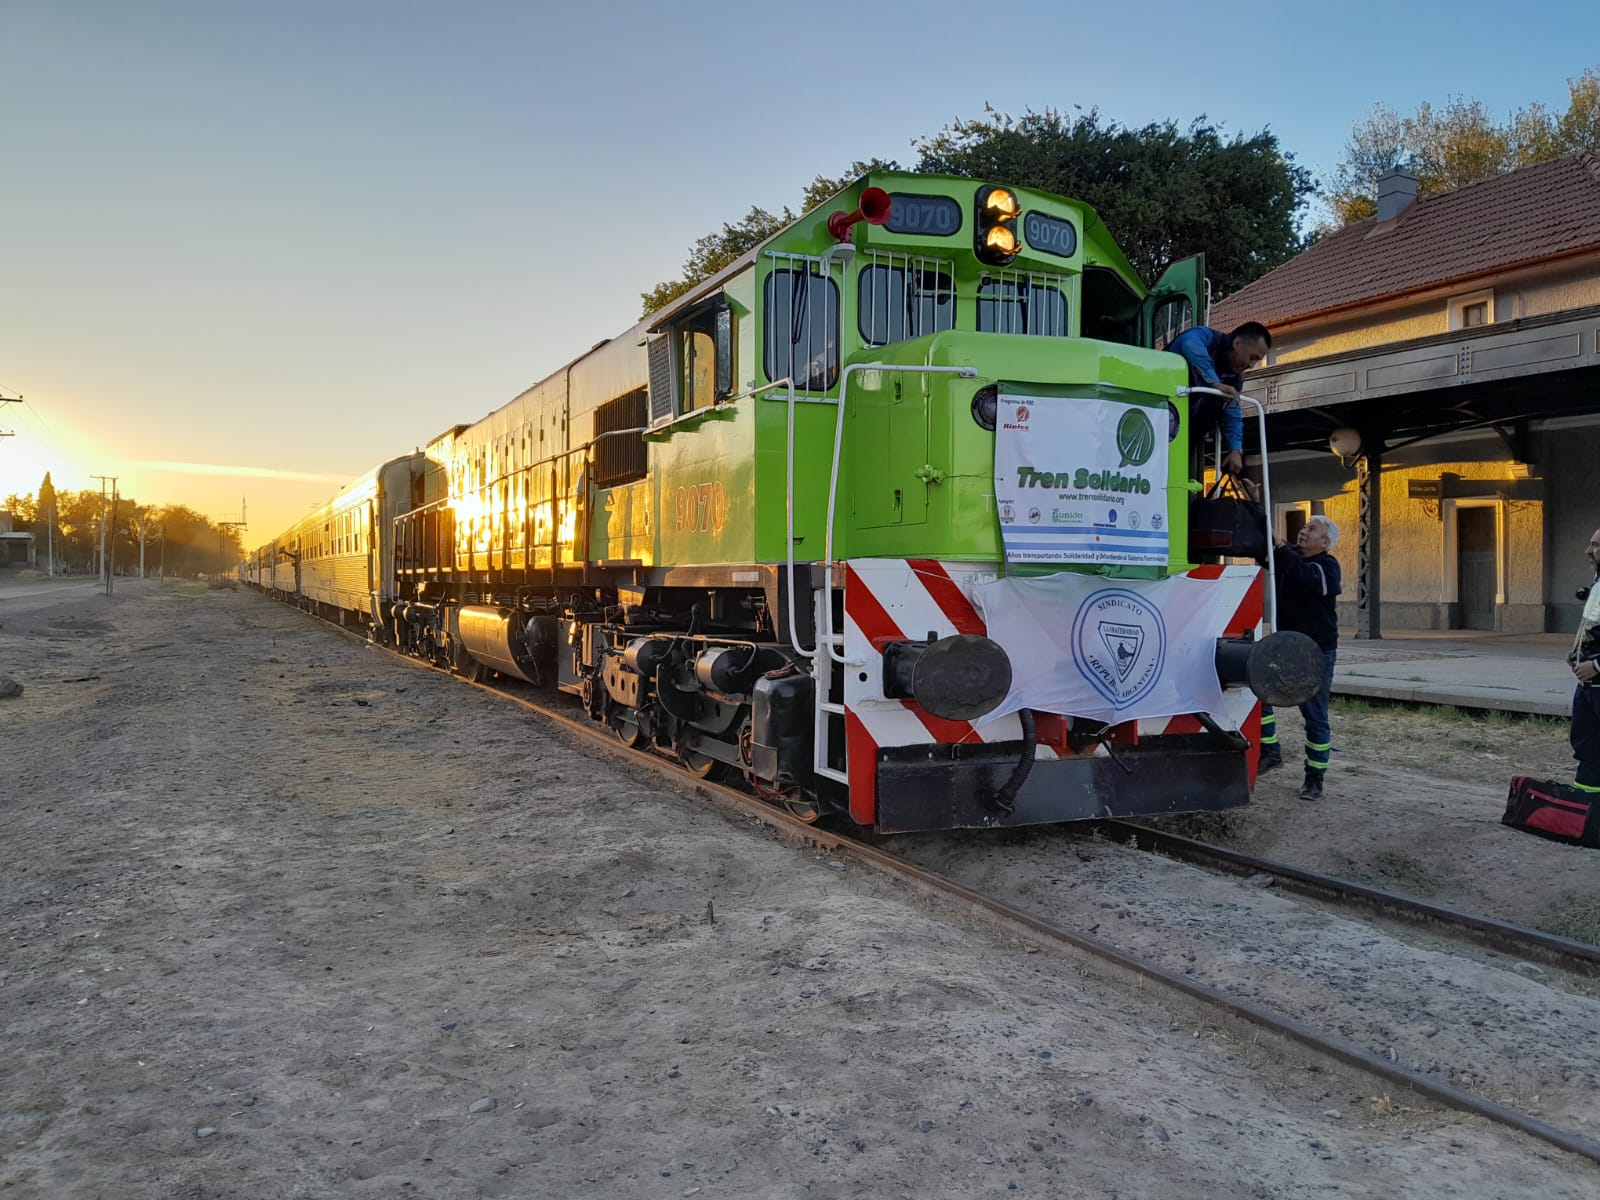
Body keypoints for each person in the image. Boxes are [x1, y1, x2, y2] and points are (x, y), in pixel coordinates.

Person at [1258, 514, 1342, 801]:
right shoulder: (1289, 556)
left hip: (1315, 652)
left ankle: (1314, 778)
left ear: (1325, 541)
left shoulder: (1327, 568)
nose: (1304, 531)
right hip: (1285, 647)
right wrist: (1256, 506)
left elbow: (1305, 579)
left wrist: (1280, 547)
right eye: (1305, 526)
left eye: (1312, 529)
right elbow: (1268, 551)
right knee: (1258, 698)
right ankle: (1270, 752)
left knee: (1315, 716)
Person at [1167, 321, 1272, 477]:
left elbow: (1233, 410)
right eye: (1252, 357)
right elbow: (1190, 344)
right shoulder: (1204, 336)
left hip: (1182, 442)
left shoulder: (1234, 379)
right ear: (1237, 343)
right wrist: (1215, 383)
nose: (1251, 365)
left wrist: (1236, 450)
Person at [1566, 526, 1600, 793]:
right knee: (1586, 747)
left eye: (1596, 545)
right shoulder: (1598, 584)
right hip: (1587, 687)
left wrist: (1597, 666)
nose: (1588, 550)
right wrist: (1576, 656)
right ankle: (1586, 810)